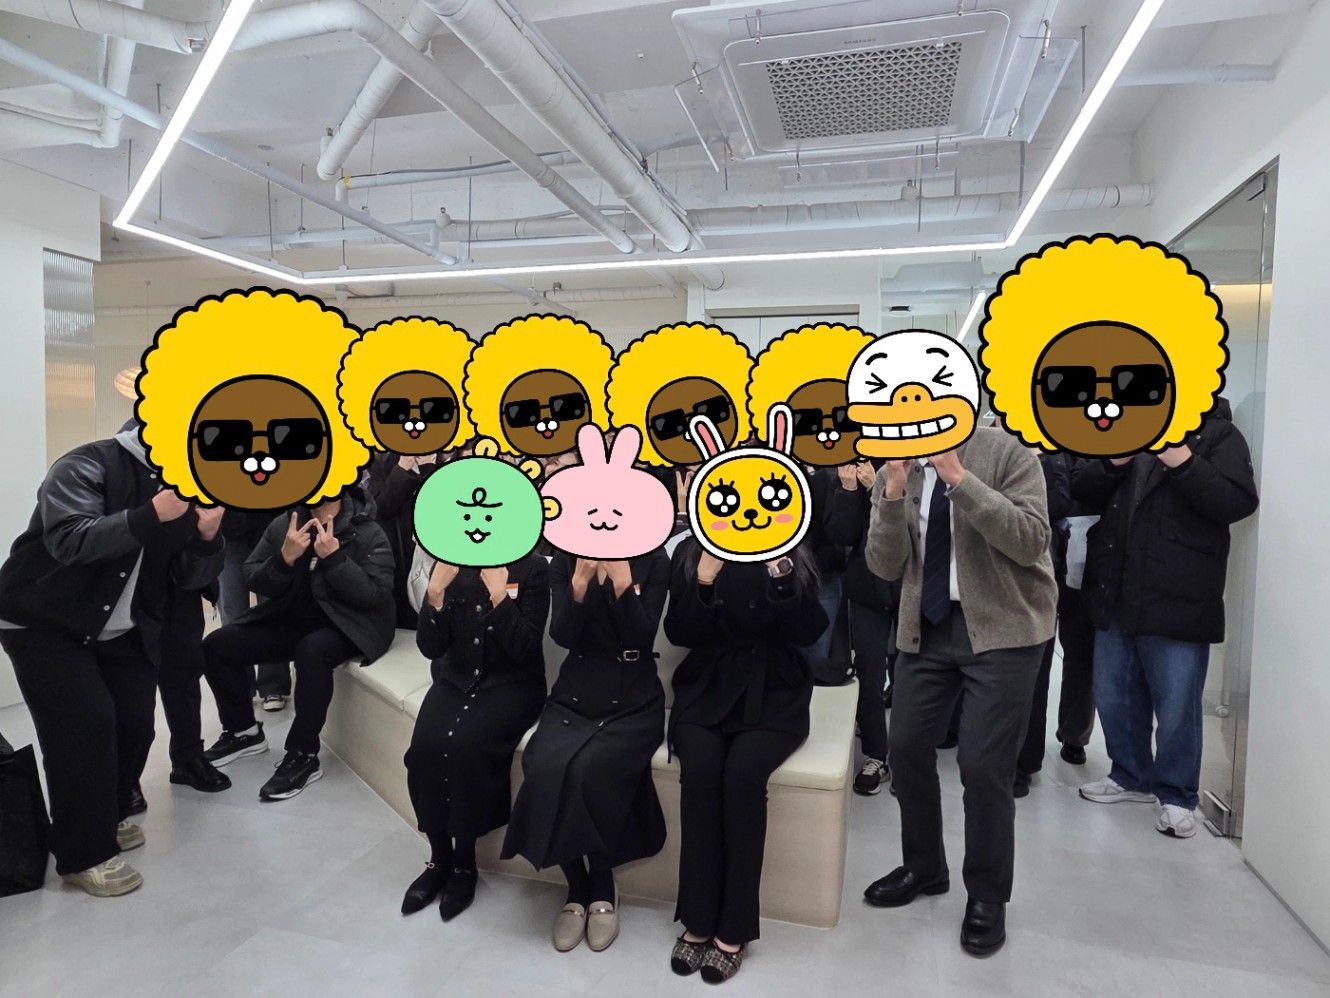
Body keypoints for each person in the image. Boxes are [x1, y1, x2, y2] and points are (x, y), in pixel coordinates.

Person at [0, 419, 225, 896]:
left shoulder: (194, 484)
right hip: (45, 622)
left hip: (124, 627)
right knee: (85, 727)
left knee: (135, 726)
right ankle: (84, 853)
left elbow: (187, 580)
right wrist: (150, 514)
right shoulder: (88, 464)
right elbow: (70, 541)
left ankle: (108, 814)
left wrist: (207, 537)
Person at [861, 425, 1056, 957]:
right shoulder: (896, 467)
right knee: (905, 748)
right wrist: (892, 492)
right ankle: (924, 866)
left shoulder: (1006, 451)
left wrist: (958, 477)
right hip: (926, 627)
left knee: (983, 765)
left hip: (1005, 629)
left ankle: (988, 894)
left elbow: (1030, 540)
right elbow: (883, 564)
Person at [1074, 397, 1258, 838]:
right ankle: (1129, 776)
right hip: (1115, 589)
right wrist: (1115, 461)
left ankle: (1177, 795)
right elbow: (1080, 487)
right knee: (1114, 695)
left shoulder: (1218, 433)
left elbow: (1236, 502)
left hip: (1180, 594)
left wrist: (1183, 460)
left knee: (1176, 705)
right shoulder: (1122, 426)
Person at [664, 539, 827, 984]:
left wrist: (782, 577)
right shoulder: (691, 551)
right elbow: (680, 631)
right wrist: (703, 580)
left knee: (742, 779)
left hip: (774, 691)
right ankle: (697, 918)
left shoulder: (789, 547)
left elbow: (810, 631)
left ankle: (734, 928)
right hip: (706, 687)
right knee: (700, 775)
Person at [502, 551, 669, 953]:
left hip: (634, 695)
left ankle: (602, 882)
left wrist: (623, 583)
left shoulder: (654, 558)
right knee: (542, 764)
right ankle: (576, 884)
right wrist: (578, 584)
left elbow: (642, 634)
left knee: (590, 768)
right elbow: (562, 635)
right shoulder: (564, 560)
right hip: (575, 690)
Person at [201, 486, 395, 801]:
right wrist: (284, 560)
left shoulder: (366, 529)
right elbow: (252, 575)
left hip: (353, 624)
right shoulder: (286, 523)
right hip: (295, 620)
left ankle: (303, 753)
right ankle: (243, 731)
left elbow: (373, 596)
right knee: (217, 645)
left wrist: (335, 559)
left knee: (313, 649)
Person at [400, 550, 550, 922]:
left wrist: (500, 597)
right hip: (455, 678)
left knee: (467, 748)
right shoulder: (451, 561)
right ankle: (439, 858)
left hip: (512, 684)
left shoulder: (532, 568)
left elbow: (524, 649)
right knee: (425, 749)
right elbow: (431, 648)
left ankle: (464, 862)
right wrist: (434, 595)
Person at [826, 457, 898, 795]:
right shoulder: (853, 464)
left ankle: (911, 756)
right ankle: (875, 755)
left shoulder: (924, 465)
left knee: (912, 675)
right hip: (868, 584)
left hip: (915, 585)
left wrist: (876, 489)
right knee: (870, 673)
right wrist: (849, 490)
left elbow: (913, 527)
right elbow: (843, 534)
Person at [1014, 451, 1072, 797]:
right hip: (983, 572)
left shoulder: (1050, 454)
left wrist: (1039, 460)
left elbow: (1058, 504)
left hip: (1033, 576)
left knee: (1032, 677)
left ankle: (1022, 763)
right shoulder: (982, 446)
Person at [218, 508, 291, 712]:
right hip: (228, 530)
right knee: (232, 609)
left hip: (272, 523)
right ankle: (240, 685)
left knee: (273, 608)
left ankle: (273, 685)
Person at [1052, 456, 1100, 766]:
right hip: (1042, 536)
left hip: (1088, 543)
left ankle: (1074, 735)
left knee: (1082, 651)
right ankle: (1020, 743)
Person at [366, 449, 446, 627]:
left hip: (432, 556)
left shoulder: (442, 462)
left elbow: (443, 510)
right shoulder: (384, 463)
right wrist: (401, 470)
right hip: (398, 552)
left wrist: (427, 471)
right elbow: (381, 508)